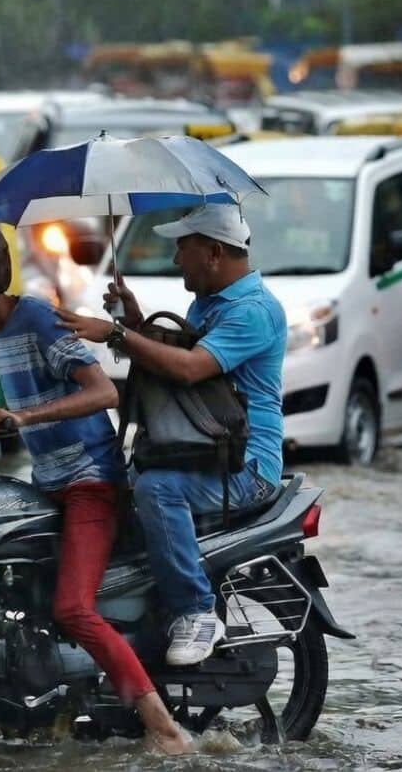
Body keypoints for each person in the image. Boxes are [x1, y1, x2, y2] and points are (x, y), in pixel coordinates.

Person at [0, 212, 192, 756]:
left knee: (71, 608)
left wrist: (24, 419)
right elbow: (19, 405)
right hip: (48, 481)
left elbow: (102, 393)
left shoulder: (37, 318)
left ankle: (165, 729)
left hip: (91, 480)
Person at [56, 203, 287, 666]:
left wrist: (118, 334)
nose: (177, 259)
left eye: (184, 247)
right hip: (202, 452)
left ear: (215, 253)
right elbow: (178, 362)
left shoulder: (254, 312)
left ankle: (195, 610)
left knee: (158, 490)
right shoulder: (208, 304)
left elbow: (189, 368)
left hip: (246, 467)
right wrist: (137, 320)